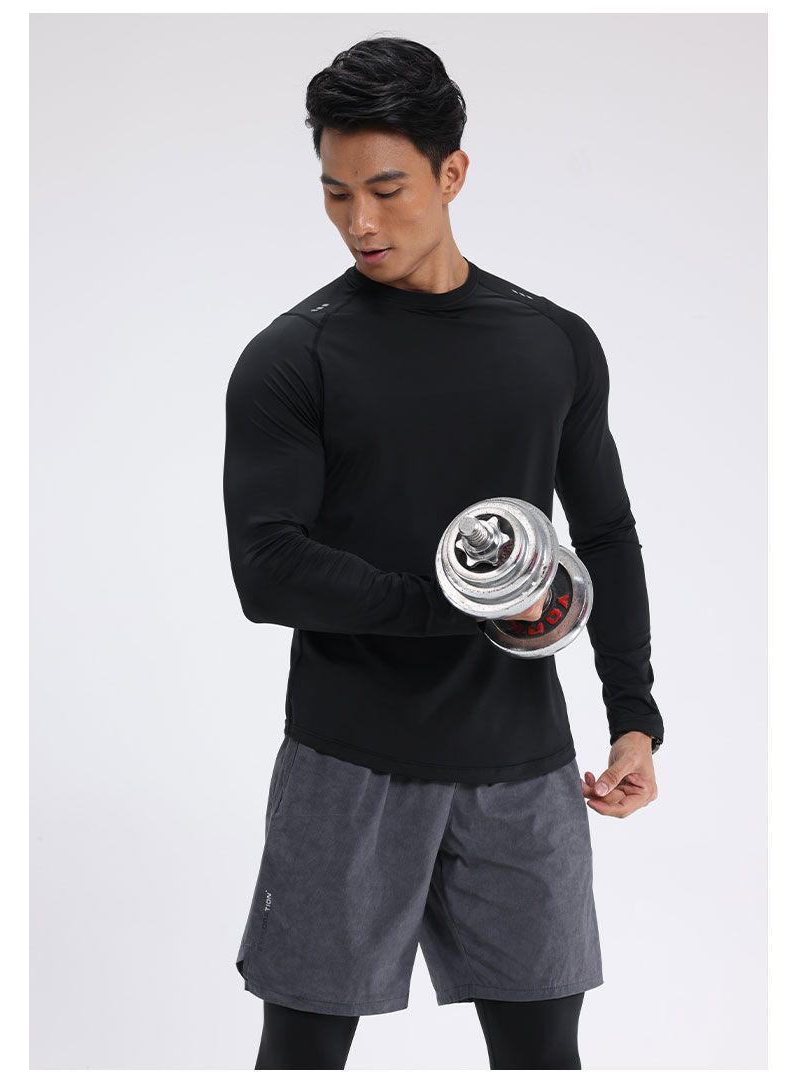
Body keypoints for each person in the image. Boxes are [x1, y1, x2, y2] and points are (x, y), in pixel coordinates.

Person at [222, 35, 663, 1071]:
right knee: (301, 1053)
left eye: (386, 190)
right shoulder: (293, 357)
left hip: (522, 765)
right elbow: (266, 568)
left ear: (451, 173)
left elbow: (604, 533)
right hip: (346, 762)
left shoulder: (550, 342)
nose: (360, 223)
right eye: (335, 194)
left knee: (541, 1053)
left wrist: (634, 716)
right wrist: (463, 604)